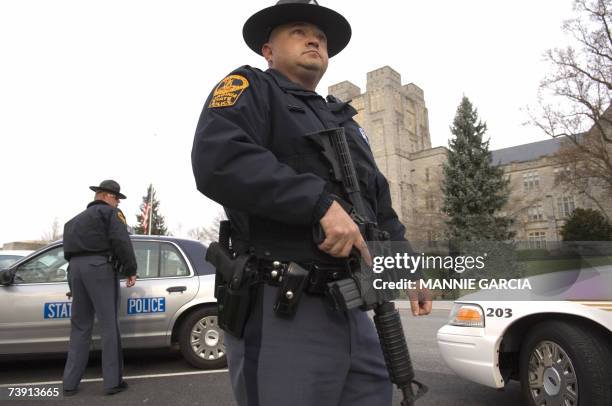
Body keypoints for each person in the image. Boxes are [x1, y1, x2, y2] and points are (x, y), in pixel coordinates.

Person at [192, 1, 432, 405]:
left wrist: (406, 266)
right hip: (285, 306)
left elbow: (378, 206)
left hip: (356, 309)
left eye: (320, 38)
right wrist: (317, 203)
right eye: (300, 31)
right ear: (268, 50)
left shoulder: (345, 122)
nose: (314, 41)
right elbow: (217, 160)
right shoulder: (250, 88)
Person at [61, 180, 137, 396]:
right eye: (116, 198)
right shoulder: (110, 214)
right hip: (100, 268)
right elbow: (121, 241)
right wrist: (130, 270)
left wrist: (72, 285)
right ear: (105, 196)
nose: (117, 203)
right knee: (108, 325)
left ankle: (69, 383)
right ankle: (112, 382)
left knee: (79, 328)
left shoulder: (72, 222)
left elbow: (69, 256)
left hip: (75, 271)